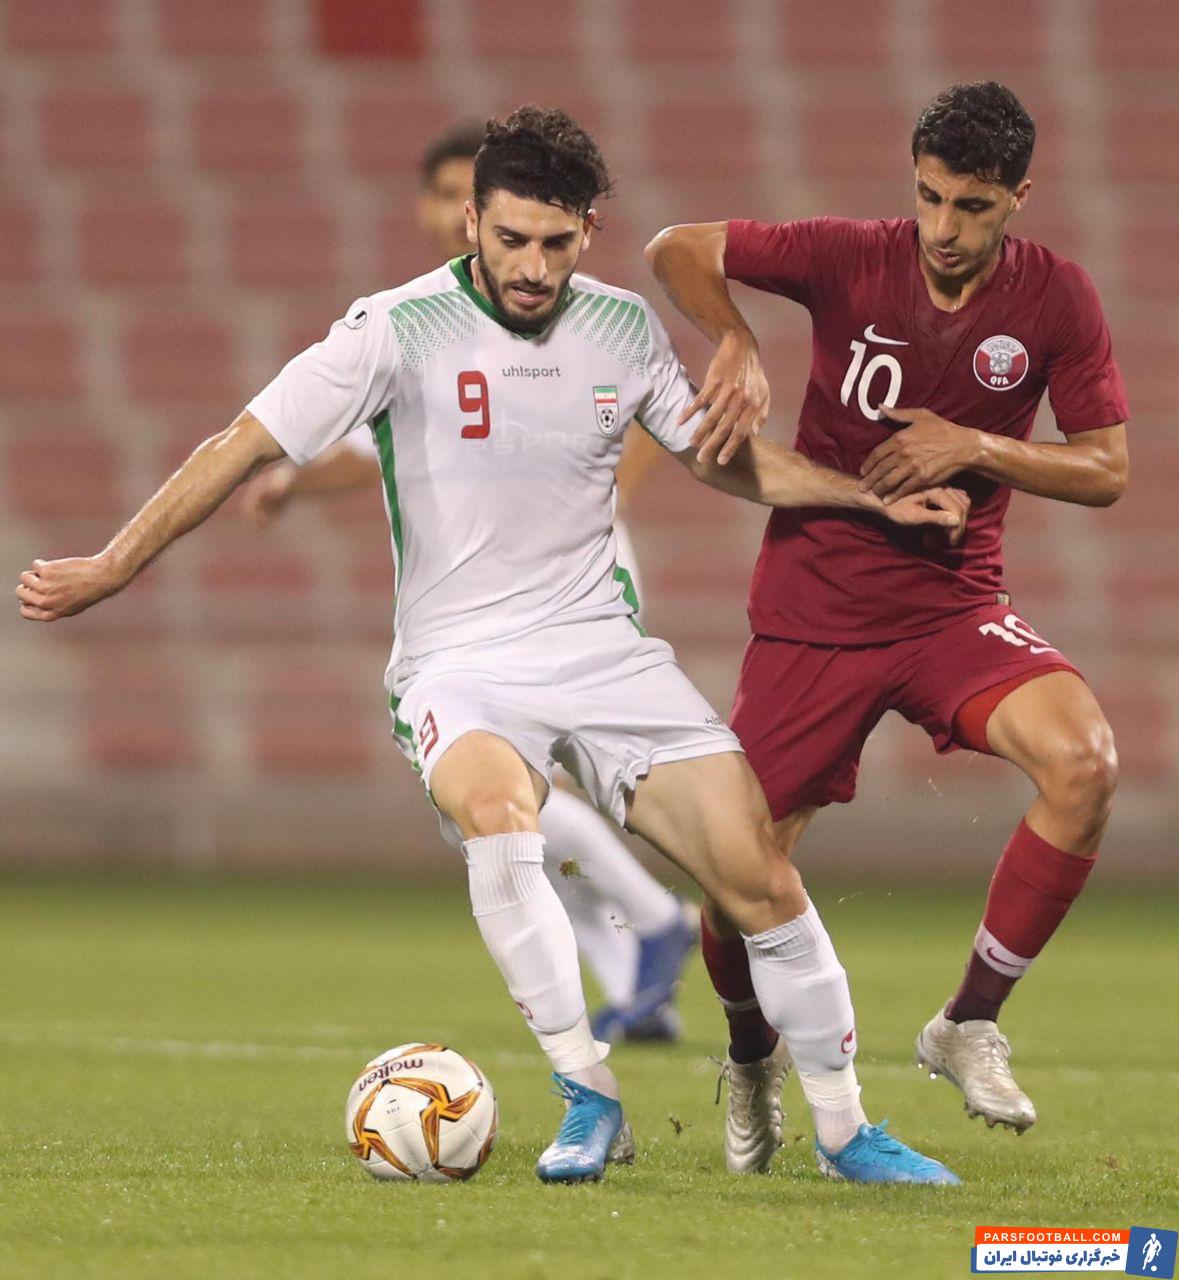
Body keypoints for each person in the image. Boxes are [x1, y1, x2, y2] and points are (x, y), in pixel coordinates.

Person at [17, 106, 969, 1186]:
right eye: (511, 238)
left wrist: (867, 500)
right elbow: (242, 442)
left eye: (556, 243)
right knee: (498, 815)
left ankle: (844, 1130)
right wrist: (115, 563)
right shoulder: (393, 327)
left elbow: (724, 460)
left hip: (600, 649)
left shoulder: (621, 329)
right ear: (472, 221)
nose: (531, 266)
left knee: (758, 875)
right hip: (460, 662)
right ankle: (588, 1093)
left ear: (589, 231)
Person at [645, 80, 1128, 1164]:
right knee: (734, 878)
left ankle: (967, 1022)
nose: (943, 229)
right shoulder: (850, 256)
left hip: (953, 608)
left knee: (1084, 762)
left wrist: (977, 444)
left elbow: (1107, 470)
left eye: (973, 206)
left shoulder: (1057, 298)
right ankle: (750, 1056)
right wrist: (733, 338)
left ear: (1019, 198)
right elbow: (677, 248)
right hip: (814, 608)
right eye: (929, 197)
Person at [240, 122, 690, 1045]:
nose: (456, 213)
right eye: (445, 196)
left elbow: (653, 412)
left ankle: (652, 922)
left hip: (571, 579)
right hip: (477, 597)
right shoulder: (426, 322)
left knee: (513, 793)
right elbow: (369, 443)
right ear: (436, 210)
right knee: (501, 808)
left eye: (466, 195)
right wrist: (290, 482)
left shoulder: (568, 315)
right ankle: (633, 969)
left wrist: (604, 502)